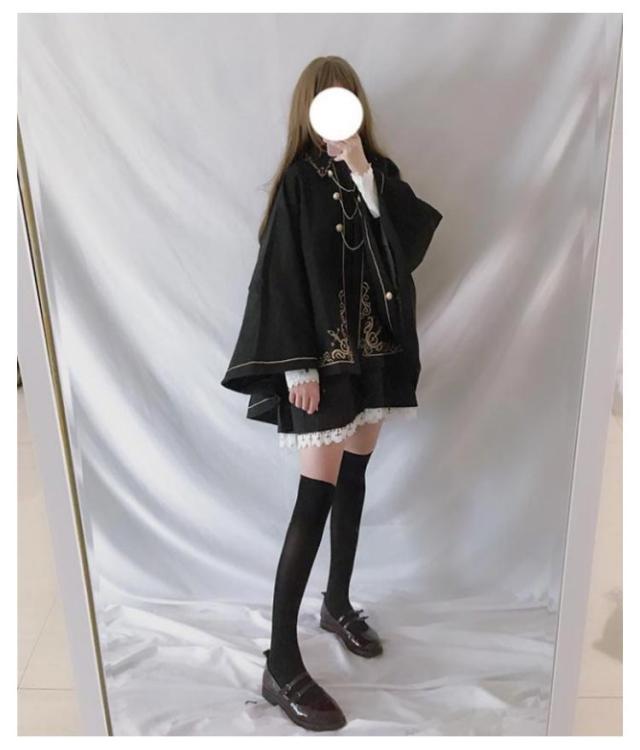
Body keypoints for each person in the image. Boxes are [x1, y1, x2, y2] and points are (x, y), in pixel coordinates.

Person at [220, 55, 443, 732]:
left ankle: (336, 604)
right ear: (307, 111)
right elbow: (279, 274)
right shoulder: (297, 184)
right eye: (324, 106)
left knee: (353, 480)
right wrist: (297, 368)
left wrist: (366, 172)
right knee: (313, 497)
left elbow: (404, 248)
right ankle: (281, 662)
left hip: (374, 363)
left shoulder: (377, 173)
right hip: (320, 366)